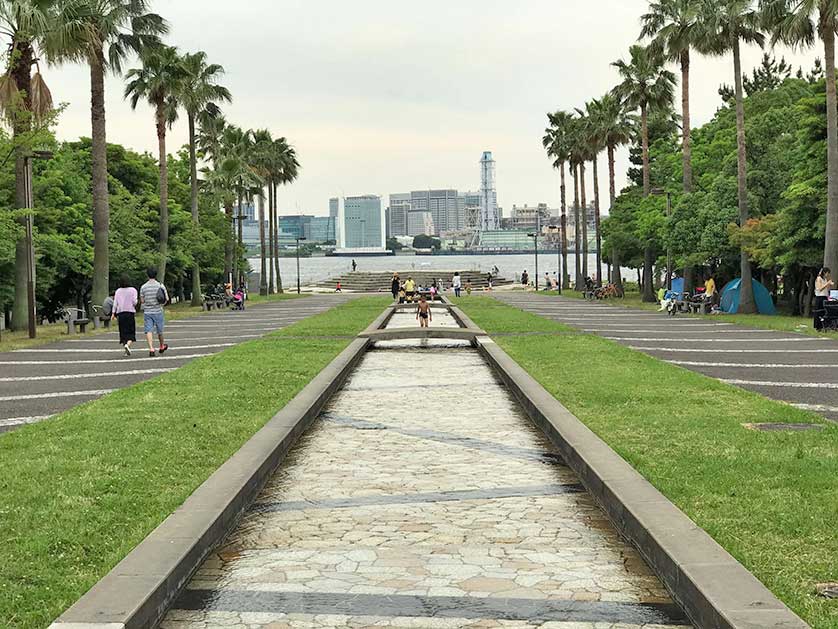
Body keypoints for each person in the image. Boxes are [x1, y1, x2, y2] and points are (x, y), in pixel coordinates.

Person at [140, 267, 168, 357]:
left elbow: (142, 301)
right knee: (160, 330)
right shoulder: (160, 286)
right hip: (158, 311)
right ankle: (161, 346)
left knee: (148, 330)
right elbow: (166, 299)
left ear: (147, 275)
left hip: (147, 312)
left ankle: (151, 348)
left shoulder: (143, 287)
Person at [112, 276, 138, 356]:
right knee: (131, 332)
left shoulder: (118, 291)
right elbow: (134, 302)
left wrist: (113, 313)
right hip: (130, 313)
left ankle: (125, 348)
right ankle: (128, 345)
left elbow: (115, 303)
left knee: (123, 332)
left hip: (121, 314)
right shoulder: (133, 290)